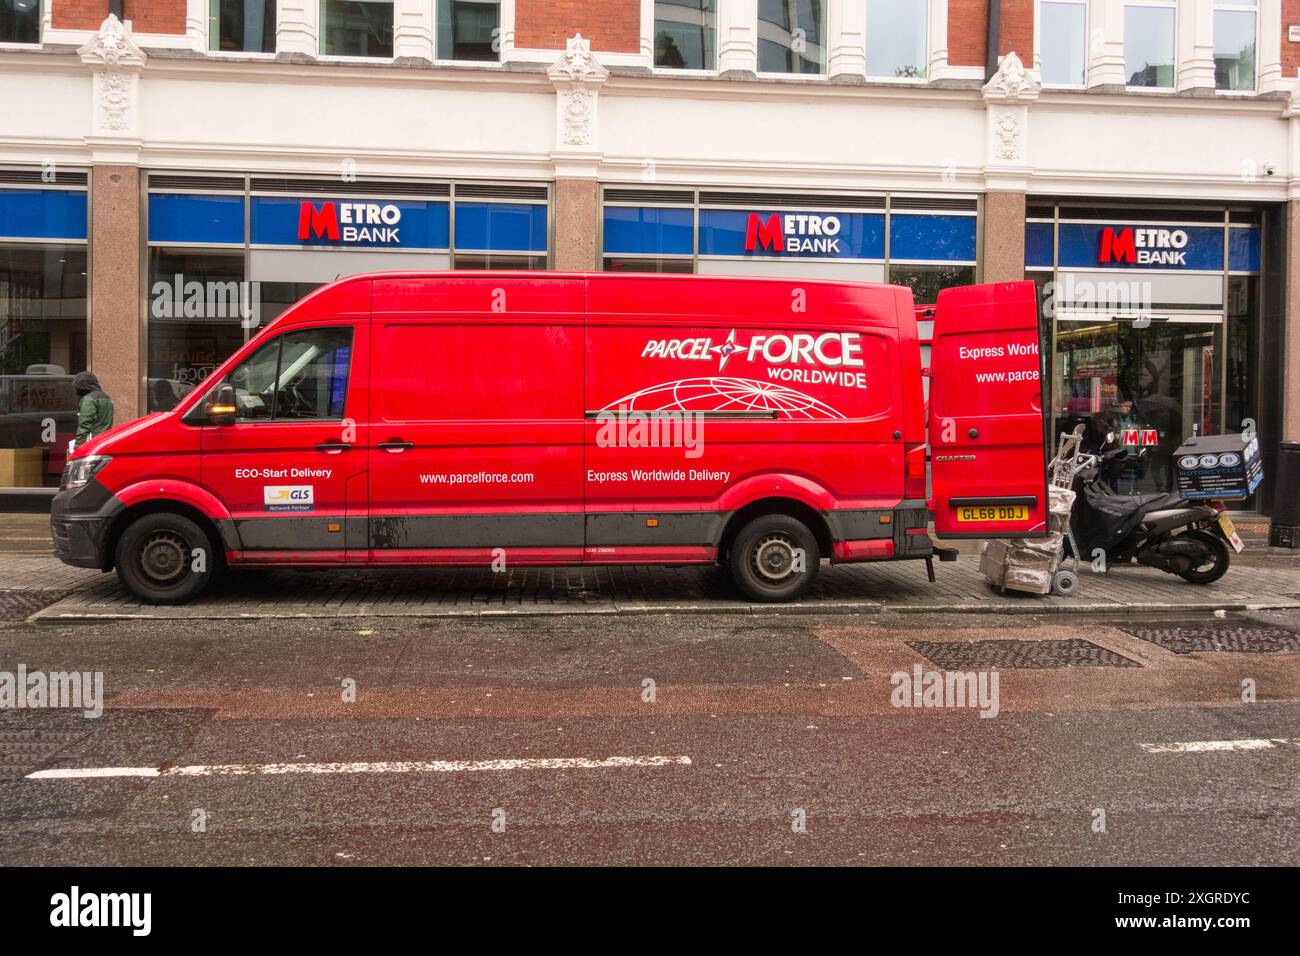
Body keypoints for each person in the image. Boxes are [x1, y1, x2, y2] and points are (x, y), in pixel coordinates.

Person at [73, 371, 114, 448]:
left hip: (93, 443)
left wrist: (78, 447)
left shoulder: (89, 399)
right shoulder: (107, 398)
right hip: (105, 440)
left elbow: (84, 425)